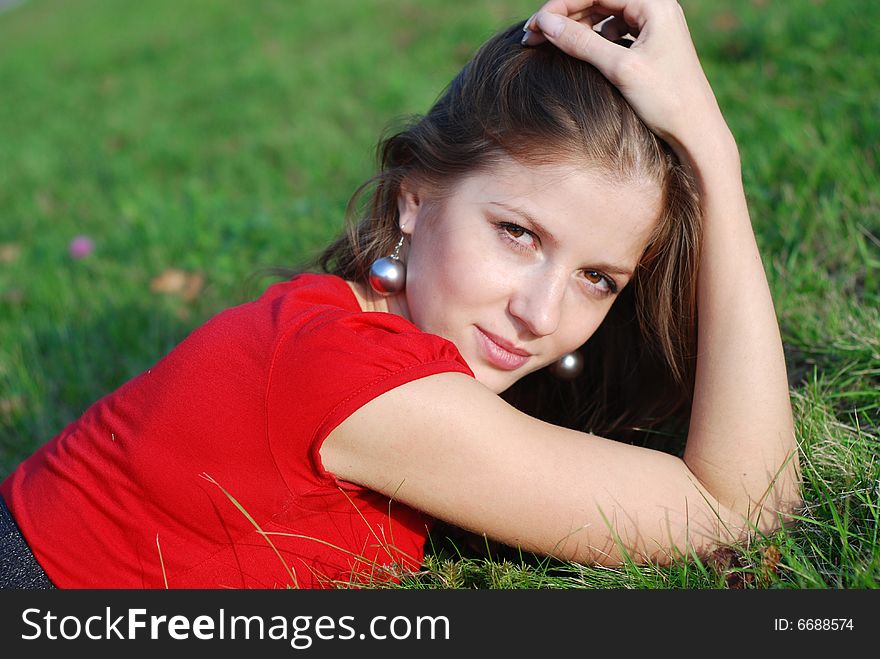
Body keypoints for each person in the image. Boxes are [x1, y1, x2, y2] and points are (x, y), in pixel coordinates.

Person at [0, 0, 801, 589]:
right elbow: (740, 506)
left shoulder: (343, 316)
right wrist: (715, 153)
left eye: (598, 278)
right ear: (415, 195)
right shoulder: (370, 386)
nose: (542, 313)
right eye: (518, 233)